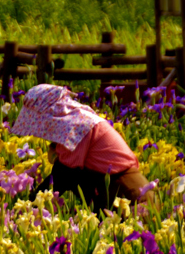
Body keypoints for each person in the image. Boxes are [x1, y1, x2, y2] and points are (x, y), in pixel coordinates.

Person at [11, 84, 150, 212]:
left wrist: (29, 205)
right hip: (124, 189)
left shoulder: (77, 128)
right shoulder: (80, 119)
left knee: (70, 175)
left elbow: (61, 176)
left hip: (129, 197)